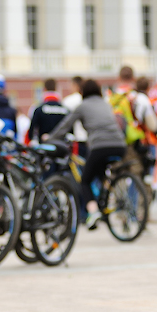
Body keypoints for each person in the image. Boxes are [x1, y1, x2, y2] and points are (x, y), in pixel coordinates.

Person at [47, 79, 127, 230]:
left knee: (85, 180)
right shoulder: (105, 104)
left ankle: (93, 211)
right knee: (100, 172)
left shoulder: (82, 106)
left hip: (100, 146)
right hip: (120, 145)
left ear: (82, 92)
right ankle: (107, 198)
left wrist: (50, 138)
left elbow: (65, 126)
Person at [26, 78, 69, 145]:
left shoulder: (38, 109)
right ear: (56, 89)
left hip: (44, 146)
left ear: (44, 89)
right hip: (61, 146)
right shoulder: (65, 109)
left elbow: (31, 132)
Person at [62, 76, 89, 158]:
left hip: (79, 139)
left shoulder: (69, 101)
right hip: (92, 138)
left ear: (75, 85)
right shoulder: (89, 99)